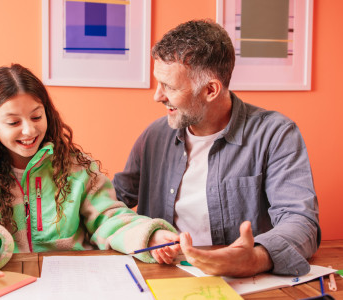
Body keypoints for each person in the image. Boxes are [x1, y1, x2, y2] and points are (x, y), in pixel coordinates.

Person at [113, 20, 320, 277]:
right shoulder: (154, 136)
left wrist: (255, 258)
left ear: (211, 90)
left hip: (244, 284)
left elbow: (302, 223)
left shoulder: (276, 134)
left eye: (169, 86)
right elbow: (109, 204)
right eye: (158, 83)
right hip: (164, 278)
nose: (157, 96)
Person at [0, 64, 178, 278]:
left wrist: (149, 236)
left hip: (76, 282)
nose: (29, 130)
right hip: (7, 280)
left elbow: (108, 218)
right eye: (13, 122)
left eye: (36, 116)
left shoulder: (76, 167)